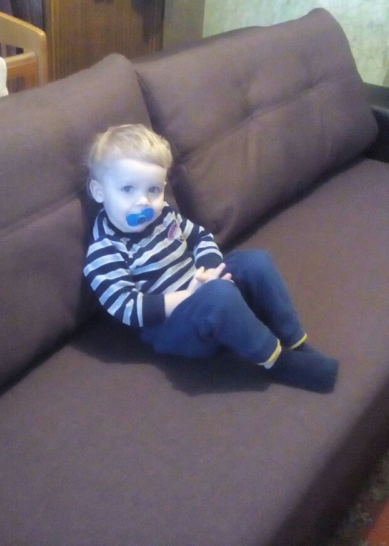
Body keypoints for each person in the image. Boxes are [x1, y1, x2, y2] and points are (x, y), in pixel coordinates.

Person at [83, 124, 338, 393]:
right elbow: (127, 307)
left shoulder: (164, 215)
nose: (143, 202)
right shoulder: (104, 252)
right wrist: (190, 295)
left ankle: (295, 340)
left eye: (154, 190)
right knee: (219, 296)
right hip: (171, 325)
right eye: (127, 189)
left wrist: (210, 269)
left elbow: (200, 237)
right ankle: (278, 362)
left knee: (256, 261)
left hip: (204, 287)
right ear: (99, 192)